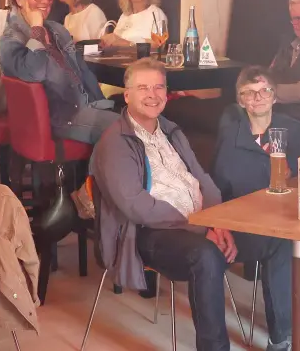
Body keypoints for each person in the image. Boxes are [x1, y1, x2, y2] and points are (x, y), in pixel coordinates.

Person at [90, 58, 237, 351]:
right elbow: (136, 206)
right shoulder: (116, 142)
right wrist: (198, 228)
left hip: (197, 224)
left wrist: (219, 222)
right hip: (147, 233)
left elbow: (202, 179)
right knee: (206, 256)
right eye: (143, 88)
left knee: (274, 238)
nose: (152, 94)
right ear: (127, 95)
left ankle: (289, 333)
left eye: (159, 87)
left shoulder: (170, 130)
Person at [211, 67, 300, 351]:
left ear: (275, 97)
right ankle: (292, 334)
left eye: (264, 91)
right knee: (286, 244)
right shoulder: (231, 137)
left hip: (292, 217)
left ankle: (298, 330)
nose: (258, 97)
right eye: (249, 93)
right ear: (241, 100)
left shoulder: (296, 131)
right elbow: (221, 185)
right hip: (247, 226)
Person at [0, 0, 117, 144]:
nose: (45, 1)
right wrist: (37, 29)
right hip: (60, 116)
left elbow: (82, 70)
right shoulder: (11, 39)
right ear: (19, 0)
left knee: (152, 123)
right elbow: (34, 73)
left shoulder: (57, 29)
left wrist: (102, 104)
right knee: (127, 130)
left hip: (87, 106)